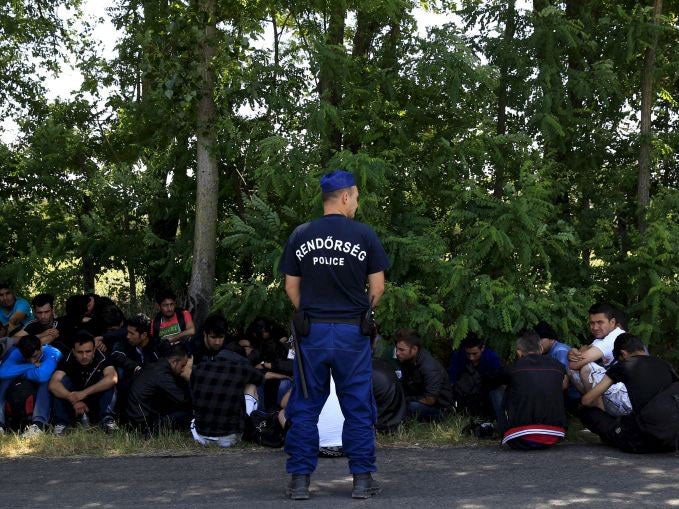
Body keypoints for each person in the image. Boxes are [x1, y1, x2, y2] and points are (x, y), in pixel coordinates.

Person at [278, 169, 389, 500]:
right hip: (351, 333)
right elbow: (378, 287)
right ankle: (362, 481)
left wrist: (309, 313)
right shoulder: (364, 235)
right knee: (357, 405)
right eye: (355, 196)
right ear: (344, 196)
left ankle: (299, 482)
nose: (356, 202)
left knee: (305, 405)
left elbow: (290, 287)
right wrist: (362, 313)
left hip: (312, 332)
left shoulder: (301, 234)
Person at [580, 333, 679, 453]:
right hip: (671, 440)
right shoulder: (665, 365)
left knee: (586, 411)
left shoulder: (624, 365)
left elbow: (588, 400)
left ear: (623, 354)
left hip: (642, 440)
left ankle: (614, 436)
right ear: (642, 348)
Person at [190, 347, 281, 448]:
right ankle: (256, 418)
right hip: (229, 438)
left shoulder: (200, 367)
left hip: (200, 436)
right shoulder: (241, 369)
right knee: (251, 385)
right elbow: (260, 378)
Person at [494, 331, 568, 450]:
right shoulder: (557, 366)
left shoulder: (513, 368)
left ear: (519, 352)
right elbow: (564, 386)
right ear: (541, 348)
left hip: (519, 436)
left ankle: (502, 429)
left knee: (498, 389)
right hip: (555, 434)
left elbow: (494, 381)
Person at [568, 302, 631, 417]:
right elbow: (583, 351)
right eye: (592, 323)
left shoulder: (615, 337)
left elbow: (575, 364)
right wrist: (573, 351)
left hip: (627, 401)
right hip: (618, 395)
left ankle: (601, 419)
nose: (595, 327)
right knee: (574, 370)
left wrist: (576, 356)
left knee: (587, 368)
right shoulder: (603, 338)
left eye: (600, 322)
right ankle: (600, 418)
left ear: (612, 322)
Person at [49, 331, 119, 434]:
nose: (84, 356)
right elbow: (53, 384)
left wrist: (84, 393)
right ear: (73, 351)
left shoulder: (103, 357)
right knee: (61, 383)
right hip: (73, 401)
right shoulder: (67, 359)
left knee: (108, 383)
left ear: (94, 349)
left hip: (95, 398)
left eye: (88, 351)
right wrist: (73, 398)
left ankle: (107, 420)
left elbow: (112, 378)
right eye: (80, 352)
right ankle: (61, 423)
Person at [0, 335, 62, 436]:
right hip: (24, 385)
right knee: (5, 380)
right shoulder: (16, 351)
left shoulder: (53, 352)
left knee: (46, 381)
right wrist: (31, 366)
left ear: (40, 347)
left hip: (47, 388)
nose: (32, 360)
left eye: (35, 356)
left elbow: (42, 375)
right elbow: (2, 372)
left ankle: (38, 425)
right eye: (28, 358)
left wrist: (19, 371)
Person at [126, 342, 192, 435]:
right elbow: (185, 400)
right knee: (188, 413)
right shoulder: (162, 375)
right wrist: (189, 378)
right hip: (145, 427)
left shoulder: (156, 366)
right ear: (174, 362)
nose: (183, 370)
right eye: (183, 366)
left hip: (136, 421)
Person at [395, 328, 453, 421]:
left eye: (402, 350)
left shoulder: (429, 367)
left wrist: (405, 400)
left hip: (439, 409)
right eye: (397, 348)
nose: (397, 353)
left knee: (411, 407)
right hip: (419, 400)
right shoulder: (408, 360)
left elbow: (430, 400)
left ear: (414, 349)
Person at [447, 332, 501, 417]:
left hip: (486, 390)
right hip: (465, 390)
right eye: (468, 354)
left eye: (475, 354)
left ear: (482, 348)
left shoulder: (491, 358)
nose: (471, 357)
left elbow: (497, 380)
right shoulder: (459, 355)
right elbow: (452, 377)